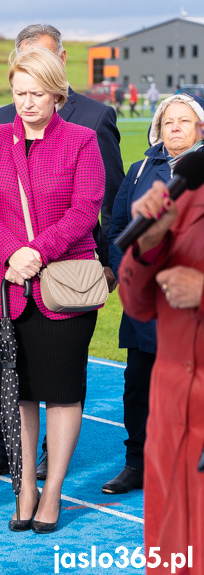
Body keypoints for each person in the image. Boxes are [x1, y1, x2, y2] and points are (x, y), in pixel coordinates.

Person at [0, 23, 123, 483]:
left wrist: (37, 251)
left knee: (62, 385)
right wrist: (11, 253)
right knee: (15, 388)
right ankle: (19, 477)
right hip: (5, 282)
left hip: (61, 280)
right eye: (19, 92)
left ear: (56, 89)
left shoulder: (86, 132)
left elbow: (90, 206)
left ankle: (51, 488)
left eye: (36, 92)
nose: (27, 102)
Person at [105, 93, 204, 494]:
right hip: (147, 305)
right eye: (168, 121)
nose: (175, 127)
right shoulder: (139, 170)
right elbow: (117, 230)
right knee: (139, 385)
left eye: (184, 120)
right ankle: (137, 462)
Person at [118, 178, 204, 570]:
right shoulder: (186, 192)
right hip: (173, 411)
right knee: (169, 552)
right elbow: (137, 305)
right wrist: (149, 242)